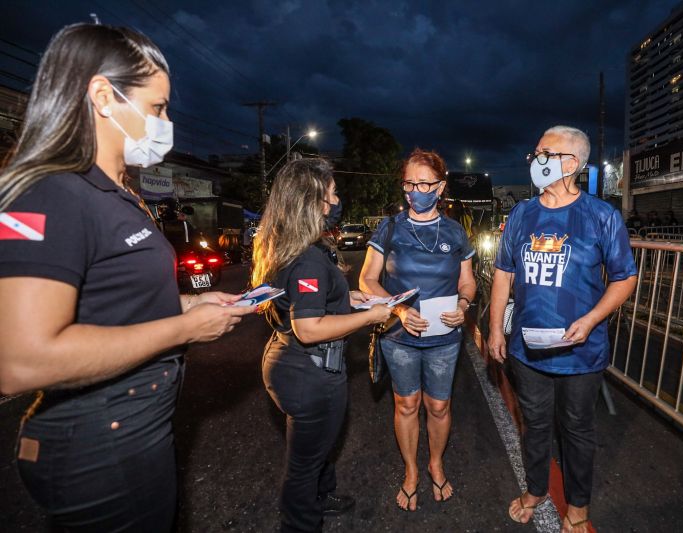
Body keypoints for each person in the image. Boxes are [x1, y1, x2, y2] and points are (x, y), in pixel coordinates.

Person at [0, 23, 255, 531]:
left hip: (134, 436)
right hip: (99, 449)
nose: (164, 121)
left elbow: (111, 303)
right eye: (157, 107)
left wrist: (187, 306)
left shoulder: (113, 193)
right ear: (102, 96)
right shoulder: (54, 193)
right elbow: (21, 361)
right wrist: (184, 330)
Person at [487, 126, 637, 532]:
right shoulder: (522, 214)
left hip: (581, 351)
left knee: (577, 428)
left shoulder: (602, 216)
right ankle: (536, 490)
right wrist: (496, 330)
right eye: (535, 152)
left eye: (543, 153)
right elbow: (503, 273)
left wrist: (590, 320)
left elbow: (624, 278)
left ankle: (579, 505)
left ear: (570, 164)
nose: (535, 159)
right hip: (527, 349)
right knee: (534, 424)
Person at [252, 158, 391, 532]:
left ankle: (321, 494)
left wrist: (353, 298)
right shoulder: (308, 259)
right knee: (304, 464)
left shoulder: (290, 244)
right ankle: (300, 522)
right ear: (311, 202)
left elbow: (307, 301)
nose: (337, 200)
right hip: (308, 372)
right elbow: (310, 328)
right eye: (331, 194)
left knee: (315, 451)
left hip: (291, 364)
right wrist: (369, 317)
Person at [359, 148, 477, 511]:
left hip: (444, 334)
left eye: (424, 183)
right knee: (406, 403)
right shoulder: (390, 227)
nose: (416, 190)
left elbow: (468, 282)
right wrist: (398, 309)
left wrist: (463, 306)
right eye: (409, 183)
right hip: (400, 334)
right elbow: (367, 279)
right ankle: (410, 471)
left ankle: (435, 463)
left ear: (440, 187)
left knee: (438, 406)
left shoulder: (456, 232)